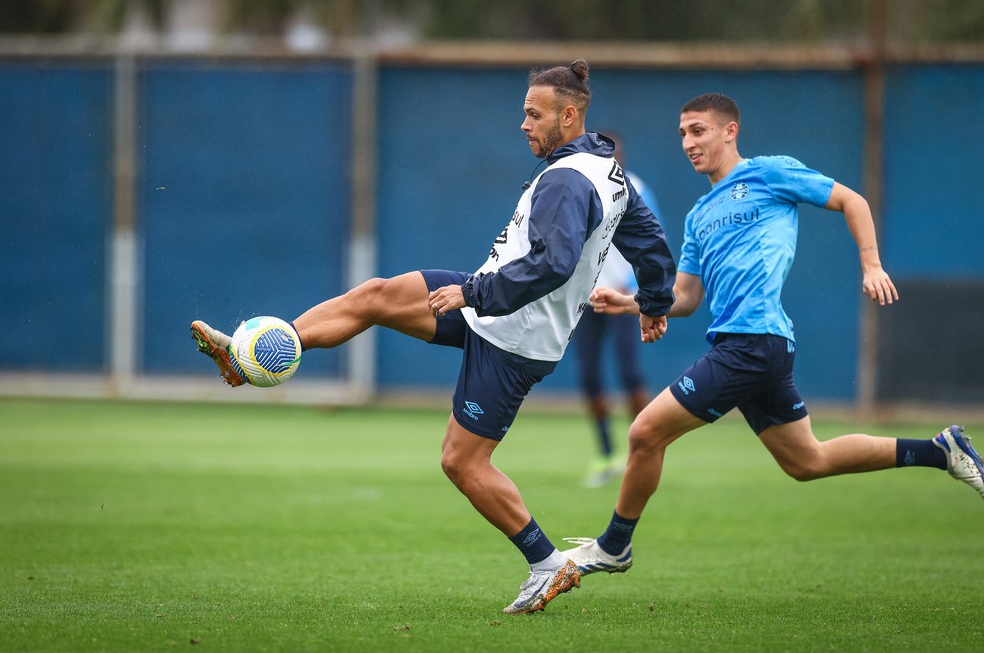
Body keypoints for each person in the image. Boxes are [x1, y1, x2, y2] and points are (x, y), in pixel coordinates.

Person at [190, 60, 676, 614]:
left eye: (534, 115)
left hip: (515, 336)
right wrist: (655, 303)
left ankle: (547, 563)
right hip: (491, 308)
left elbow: (553, 265)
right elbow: (651, 245)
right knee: (376, 296)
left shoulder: (567, 180)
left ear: (568, 116)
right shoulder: (607, 173)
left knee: (461, 462)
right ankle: (255, 355)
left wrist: (474, 292)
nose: (523, 124)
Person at [563, 92, 983, 578]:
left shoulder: (768, 173)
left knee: (643, 433)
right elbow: (687, 297)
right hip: (751, 346)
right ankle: (940, 450)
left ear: (730, 131)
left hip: (753, 342)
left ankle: (614, 546)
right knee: (807, 461)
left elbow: (852, 200)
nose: (688, 143)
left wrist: (871, 265)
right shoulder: (698, 215)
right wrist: (632, 303)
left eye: (698, 131)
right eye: (682, 134)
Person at [572, 131, 664, 488]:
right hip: (587, 301)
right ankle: (606, 455)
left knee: (630, 375)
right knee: (589, 377)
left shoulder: (635, 188)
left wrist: (633, 284)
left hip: (625, 300)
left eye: (614, 152)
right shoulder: (578, 187)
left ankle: (645, 450)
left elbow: (654, 239)